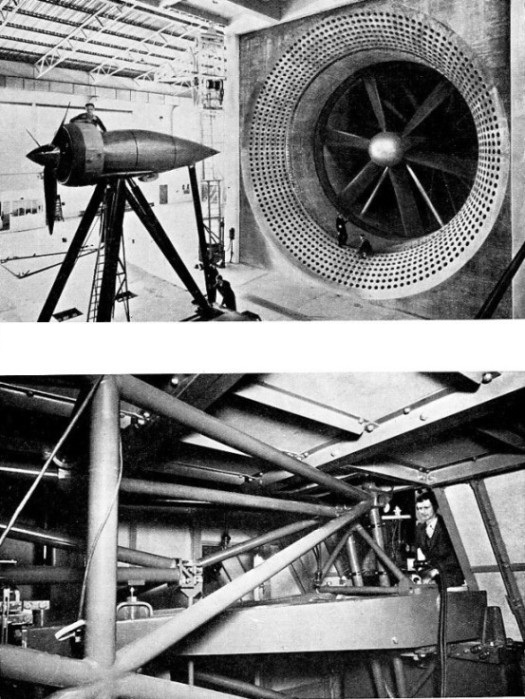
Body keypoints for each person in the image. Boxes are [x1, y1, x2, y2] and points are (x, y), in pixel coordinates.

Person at [415, 491, 464, 587]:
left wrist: (436, 571)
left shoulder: (447, 526)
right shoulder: (420, 530)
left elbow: (456, 558)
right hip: (432, 576)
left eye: (426, 508)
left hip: (451, 576)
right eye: (419, 508)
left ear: (435, 506)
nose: (422, 512)